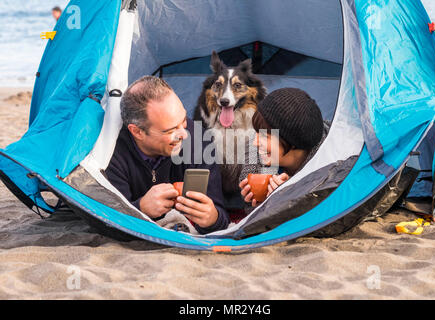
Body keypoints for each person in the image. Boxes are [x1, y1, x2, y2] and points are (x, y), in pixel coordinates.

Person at [105, 76, 229, 234]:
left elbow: (221, 218)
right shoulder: (111, 151)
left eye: (183, 121)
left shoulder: (198, 138)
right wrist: (140, 208)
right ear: (137, 131)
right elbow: (106, 222)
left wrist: (212, 218)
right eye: (170, 130)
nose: (184, 134)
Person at [239, 88, 330, 208]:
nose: (255, 142)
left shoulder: (332, 167)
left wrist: (293, 195)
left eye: (265, 136)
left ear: (292, 142)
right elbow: (252, 213)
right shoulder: (257, 150)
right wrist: (261, 205)